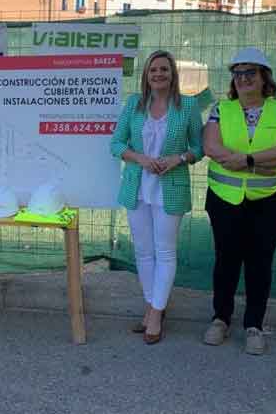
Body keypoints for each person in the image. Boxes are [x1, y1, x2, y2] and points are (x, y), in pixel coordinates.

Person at [202, 47, 276, 355]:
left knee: (260, 263)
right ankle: (220, 319)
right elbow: (210, 145)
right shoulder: (221, 109)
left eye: (250, 73)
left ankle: (254, 325)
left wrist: (245, 159)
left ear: (264, 78)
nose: (243, 79)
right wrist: (261, 162)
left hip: (269, 201)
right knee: (226, 260)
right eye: (238, 73)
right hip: (224, 198)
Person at [110, 50, 203, 345]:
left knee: (164, 252)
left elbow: (199, 148)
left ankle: (155, 312)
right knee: (143, 252)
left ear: (172, 74)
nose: (159, 74)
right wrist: (138, 157)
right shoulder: (134, 105)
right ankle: (153, 307)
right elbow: (115, 143)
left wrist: (179, 158)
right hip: (137, 187)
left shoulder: (188, 106)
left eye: (164, 69)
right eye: (153, 71)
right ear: (146, 76)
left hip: (170, 189)